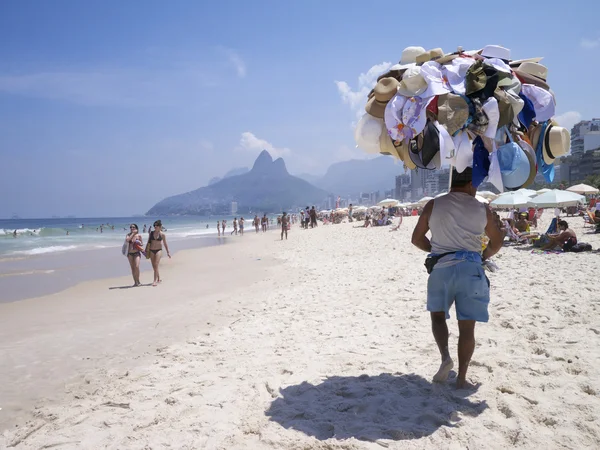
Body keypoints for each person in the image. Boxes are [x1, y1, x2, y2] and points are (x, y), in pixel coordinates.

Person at [411, 168, 503, 389]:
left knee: (438, 317)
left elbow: (416, 238)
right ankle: (461, 378)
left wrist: (437, 249)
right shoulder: (482, 208)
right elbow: (497, 242)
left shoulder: (434, 204)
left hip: (441, 268)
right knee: (467, 327)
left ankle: (445, 357)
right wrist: (483, 254)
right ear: (471, 183)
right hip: (471, 269)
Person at [148, 220, 171, 286]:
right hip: (151, 250)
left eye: (157, 225)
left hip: (159, 250)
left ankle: (154, 281)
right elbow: (148, 242)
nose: (155, 227)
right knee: (154, 266)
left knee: (156, 264)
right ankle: (158, 278)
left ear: (160, 226)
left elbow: (165, 243)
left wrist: (168, 252)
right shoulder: (151, 233)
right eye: (154, 225)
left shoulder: (162, 234)